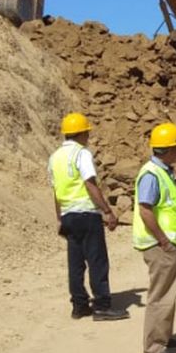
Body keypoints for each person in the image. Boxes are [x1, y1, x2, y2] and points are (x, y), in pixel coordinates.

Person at [48, 112, 127, 321]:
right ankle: (102, 305)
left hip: (68, 215)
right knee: (97, 260)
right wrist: (107, 211)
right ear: (82, 133)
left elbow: (56, 191)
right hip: (86, 214)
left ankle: (79, 305)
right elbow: (90, 184)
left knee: (75, 263)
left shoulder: (54, 157)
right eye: (87, 133)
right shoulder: (81, 154)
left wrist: (59, 218)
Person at [133, 121, 176, 353]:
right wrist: (163, 241)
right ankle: (155, 348)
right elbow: (145, 209)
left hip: (166, 243)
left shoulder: (162, 171)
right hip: (159, 245)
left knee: (169, 293)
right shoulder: (152, 174)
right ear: (167, 149)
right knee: (160, 296)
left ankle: (164, 336)